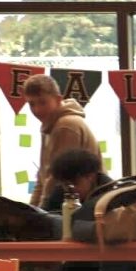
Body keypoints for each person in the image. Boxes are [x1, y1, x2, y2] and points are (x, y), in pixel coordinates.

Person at [24, 73, 100, 209]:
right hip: (67, 200)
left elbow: (56, 178)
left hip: (86, 204)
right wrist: (30, 210)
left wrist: (42, 212)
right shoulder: (49, 126)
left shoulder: (66, 125)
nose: (37, 109)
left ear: (58, 100)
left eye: (43, 102)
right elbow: (43, 176)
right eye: (31, 104)